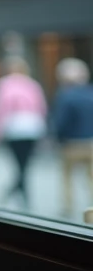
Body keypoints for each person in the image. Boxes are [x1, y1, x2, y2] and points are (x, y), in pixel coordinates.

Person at [0, 56, 47, 209]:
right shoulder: (32, 85)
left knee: (19, 164)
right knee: (24, 164)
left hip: (14, 128)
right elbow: (41, 108)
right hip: (32, 127)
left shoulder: (4, 85)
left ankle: (14, 192)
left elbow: (0, 109)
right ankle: (21, 194)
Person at [53, 58, 93, 217]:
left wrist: (58, 138)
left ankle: (67, 207)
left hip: (72, 144)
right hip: (91, 142)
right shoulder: (91, 93)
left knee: (67, 177)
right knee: (91, 177)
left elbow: (61, 122)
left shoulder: (66, 96)